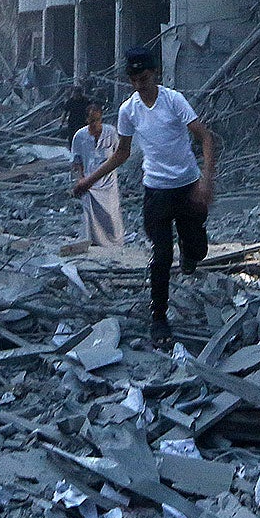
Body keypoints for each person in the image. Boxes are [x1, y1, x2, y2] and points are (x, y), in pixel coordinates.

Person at [73, 46, 215, 344]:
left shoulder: (173, 100)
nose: (140, 85)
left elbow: (205, 137)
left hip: (187, 184)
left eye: (145, 78)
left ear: (156, 74)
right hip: (156, 190)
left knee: (196, 248)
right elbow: (121, 153)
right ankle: (159, 318)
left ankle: (191, 255)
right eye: (135, 79)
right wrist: (89, 180)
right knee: (161, 255)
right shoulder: (128, 110)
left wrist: (205, 181)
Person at [70, 103, 123, 248]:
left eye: (97, 120)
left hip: (108, 181)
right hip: (89, 182)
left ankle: (114, 243)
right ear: (87, 120)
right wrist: (80, 179)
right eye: (91, 120)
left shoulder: (111, 133)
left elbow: (118, 154)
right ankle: (93, 243)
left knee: (111, 214)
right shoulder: (79, 136)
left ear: (101, 119)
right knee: (90, 215)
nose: (94, 124)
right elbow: (76, 161)